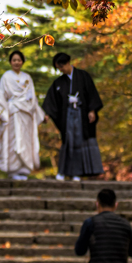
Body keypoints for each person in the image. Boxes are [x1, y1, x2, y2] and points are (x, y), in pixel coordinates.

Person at [41, 52, 103, 181]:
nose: (61, 70)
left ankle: (78, 173)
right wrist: (47, 114)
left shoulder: (83, 76)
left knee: (80, 142)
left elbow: (91, 94)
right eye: (59, 68)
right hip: (67, 116)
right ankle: (63, 172)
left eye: (62, 67)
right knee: (68, 142)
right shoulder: (58, 82)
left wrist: (92, 110)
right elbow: (51, 101)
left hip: (81, 115)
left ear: (68, 63)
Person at [74, 188, 132, 263]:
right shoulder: (125, 225)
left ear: (97, 204)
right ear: (116, 205)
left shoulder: (91, 223)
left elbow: (79, 250)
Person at [0, 50, 46, 180]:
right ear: (10, 62)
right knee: (13, 140)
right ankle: (13, 170)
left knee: (26, 140)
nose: (16, 62)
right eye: (14, 60)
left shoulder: (27, 77)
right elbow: (1, 96)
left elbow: (33, 98)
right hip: (13, 112)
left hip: (26, 113)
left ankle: (24, 169)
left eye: (19, 60)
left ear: (22, 62)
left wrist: (41, 114)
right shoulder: (6, 77)